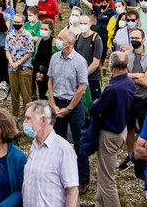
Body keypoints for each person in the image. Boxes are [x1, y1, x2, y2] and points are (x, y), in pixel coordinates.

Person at [87, 52, 135, 207]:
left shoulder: (113, 88)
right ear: (127, 66)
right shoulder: (129, 82)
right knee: (103, 173)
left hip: (109, 135)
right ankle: (99, 204)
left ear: (110, 66)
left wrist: (95, 103)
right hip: (121, 131)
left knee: (108, 179)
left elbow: (94, 109)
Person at [47, 29, 90, 192]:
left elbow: (81, 89)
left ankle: (83, 179)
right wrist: (53, 104)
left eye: (60, 38)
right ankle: (59, 176)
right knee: (57, 142)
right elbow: (50, 82)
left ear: (68, 43)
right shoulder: (54, 58)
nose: (56, 40)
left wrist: (69, 108)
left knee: (80, 142)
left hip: (74, 104)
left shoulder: (79, 61)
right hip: (57, 103)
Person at [22, 100, 79, 207]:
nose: (24, 122)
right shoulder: (34, 145)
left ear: (43, 120)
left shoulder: (63, 149)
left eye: (28, 118)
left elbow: (72, 191)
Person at [119, 26, 147, 172]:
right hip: (129, 97)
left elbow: (145, 82)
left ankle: (142, 156)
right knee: (129, 128)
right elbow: (121, 75)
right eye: (132, 38)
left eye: (137, 38)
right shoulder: (126, 55)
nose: (134, 40)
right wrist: (138, 75)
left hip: (143, 98)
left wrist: (130, 76)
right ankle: (130, 156)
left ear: (143, 39)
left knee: (145, 130)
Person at [5, 14, 34, 119]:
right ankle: (15, 113)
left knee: (26, 93)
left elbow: (29, 52)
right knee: (14, 91)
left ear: (23, 23)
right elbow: (7, 50)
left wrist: (18, 63)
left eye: (18, 22)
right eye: (15, 22)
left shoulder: (27, 35)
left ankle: (29, 115)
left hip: (24, 67)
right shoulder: (10, 34)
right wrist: (11, 62)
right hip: (12, 67)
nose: (16, 24)